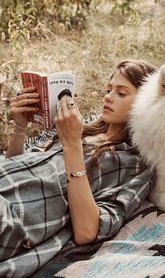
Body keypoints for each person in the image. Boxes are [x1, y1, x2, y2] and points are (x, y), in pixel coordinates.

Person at [0, 60, 157, 276]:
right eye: (108, 89)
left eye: (121, 93)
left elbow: (87, 231)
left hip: (13, 219)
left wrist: (72, 145)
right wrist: (20, 126)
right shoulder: (86, 130)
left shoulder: (136, 164)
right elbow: (18, 166)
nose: (108, 97)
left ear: (145, 105)